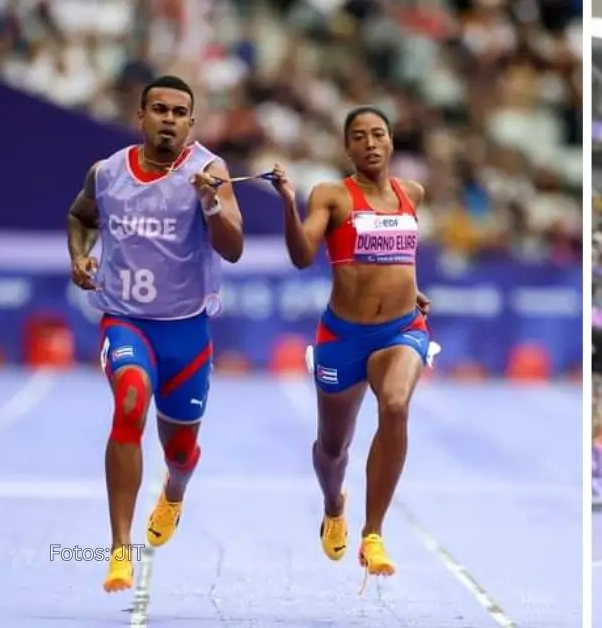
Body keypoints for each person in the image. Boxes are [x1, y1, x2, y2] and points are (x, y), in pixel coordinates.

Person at [67, 75, 245, 593]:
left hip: (186, 333)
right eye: (159, 109)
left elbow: (232, 248)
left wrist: (211, 203)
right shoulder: (106, 173)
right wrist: (79, 254)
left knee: (180, 451)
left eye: (179, 112)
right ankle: (120, 549)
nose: (168, 118)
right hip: (124, 320)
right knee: (129, 403)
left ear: (192, 123)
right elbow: (80, 217)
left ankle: (174, 492)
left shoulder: (210, 171)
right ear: (141, 116)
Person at [270, 105, 433, 580]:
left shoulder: (412, 193)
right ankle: (332, 504)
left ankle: (374, 534)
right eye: (358, 136)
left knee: (397, 406)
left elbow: (401, 257)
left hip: (400, 331)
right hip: (343, 336)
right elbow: (302, 256)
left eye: (378, 134)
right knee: (333, 448)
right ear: (348, 147)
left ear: (391, 141)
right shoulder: (331, 195)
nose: (370, 143)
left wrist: (411, 290)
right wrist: (286, 200)